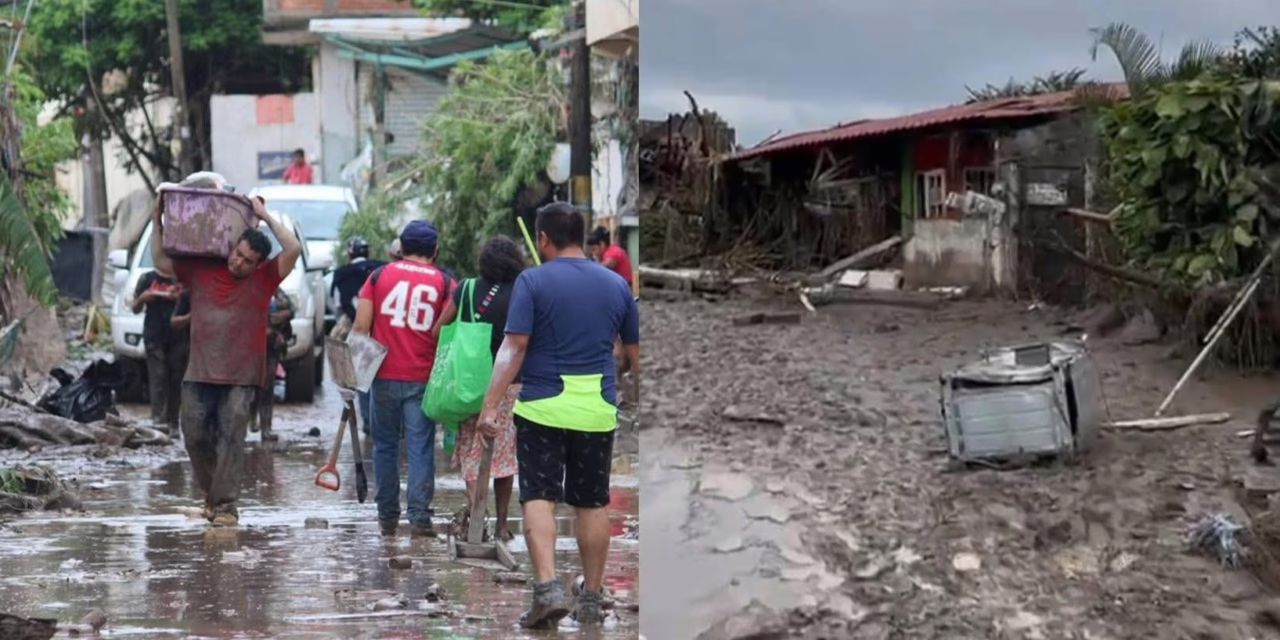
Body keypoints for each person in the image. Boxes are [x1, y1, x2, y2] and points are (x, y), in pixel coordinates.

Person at [478, 202, 640, 628]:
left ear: (544, 239)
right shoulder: (617, 285)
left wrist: (490, 405)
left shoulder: (532, 281)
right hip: (597, 409)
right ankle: (590, 597)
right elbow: (636, 356)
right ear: (583, 237)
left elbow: (514, 348)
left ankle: (548, 588)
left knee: (539, 498)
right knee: (592, 502)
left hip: (542, 406)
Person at [150, 195, 302, 527]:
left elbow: (293, 249)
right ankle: (211, 495)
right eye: (237, 254)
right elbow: (161, 261)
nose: (238, 263)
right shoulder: (203, 268)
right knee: (193, 434)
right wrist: (156, 219)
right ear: (231, 247)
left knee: (232, 435)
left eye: (248, 260)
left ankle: (226, 506)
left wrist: (264, 215)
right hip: (200, 370)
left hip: (242, 374)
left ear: (258, 263)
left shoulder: (264, 279)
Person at [352, 220, 453, 537]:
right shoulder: (446, 283)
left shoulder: (378, 276)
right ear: (435, 251)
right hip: (423, 378)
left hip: (383, 375)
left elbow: (360, 328)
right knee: (421, 447)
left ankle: (387, 517)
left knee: (384, 446)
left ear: (401, 248)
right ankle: (419, 516)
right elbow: (448, 334)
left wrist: (354, 376)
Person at [433, 235, 526, 543]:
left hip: (470, 385)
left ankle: (477, 517)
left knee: (472, 454)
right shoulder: (521, 292)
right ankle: (500, 526)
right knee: (504, 458)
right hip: (510, 385)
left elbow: (439, 330)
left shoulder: (467, 289)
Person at [132, 265, 189, 435]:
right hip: (154, 334)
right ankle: (159, 421)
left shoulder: (185, 279)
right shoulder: (147, 278)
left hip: (179, 337)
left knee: (176, 379)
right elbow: (135, 308)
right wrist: (143, 298)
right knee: (157, 378)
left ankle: (173, 422)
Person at [587, 226, 637, 405]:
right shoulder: (612, 253)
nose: (594, 253)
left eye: (594, 249)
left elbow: (604, 268)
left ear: (602, 244)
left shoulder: (613, 253)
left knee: (615, 348)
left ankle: (616, 391)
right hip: (620, 304)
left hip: (620, 305)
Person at [248, 288, 293, 442]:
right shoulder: (248, 287)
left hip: (271, 347)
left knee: (267, 386)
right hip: (249, 347)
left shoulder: (277, 291)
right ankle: (251, 419)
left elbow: (291, 309)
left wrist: (284, 315)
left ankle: (266, 428)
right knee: (251, 386)